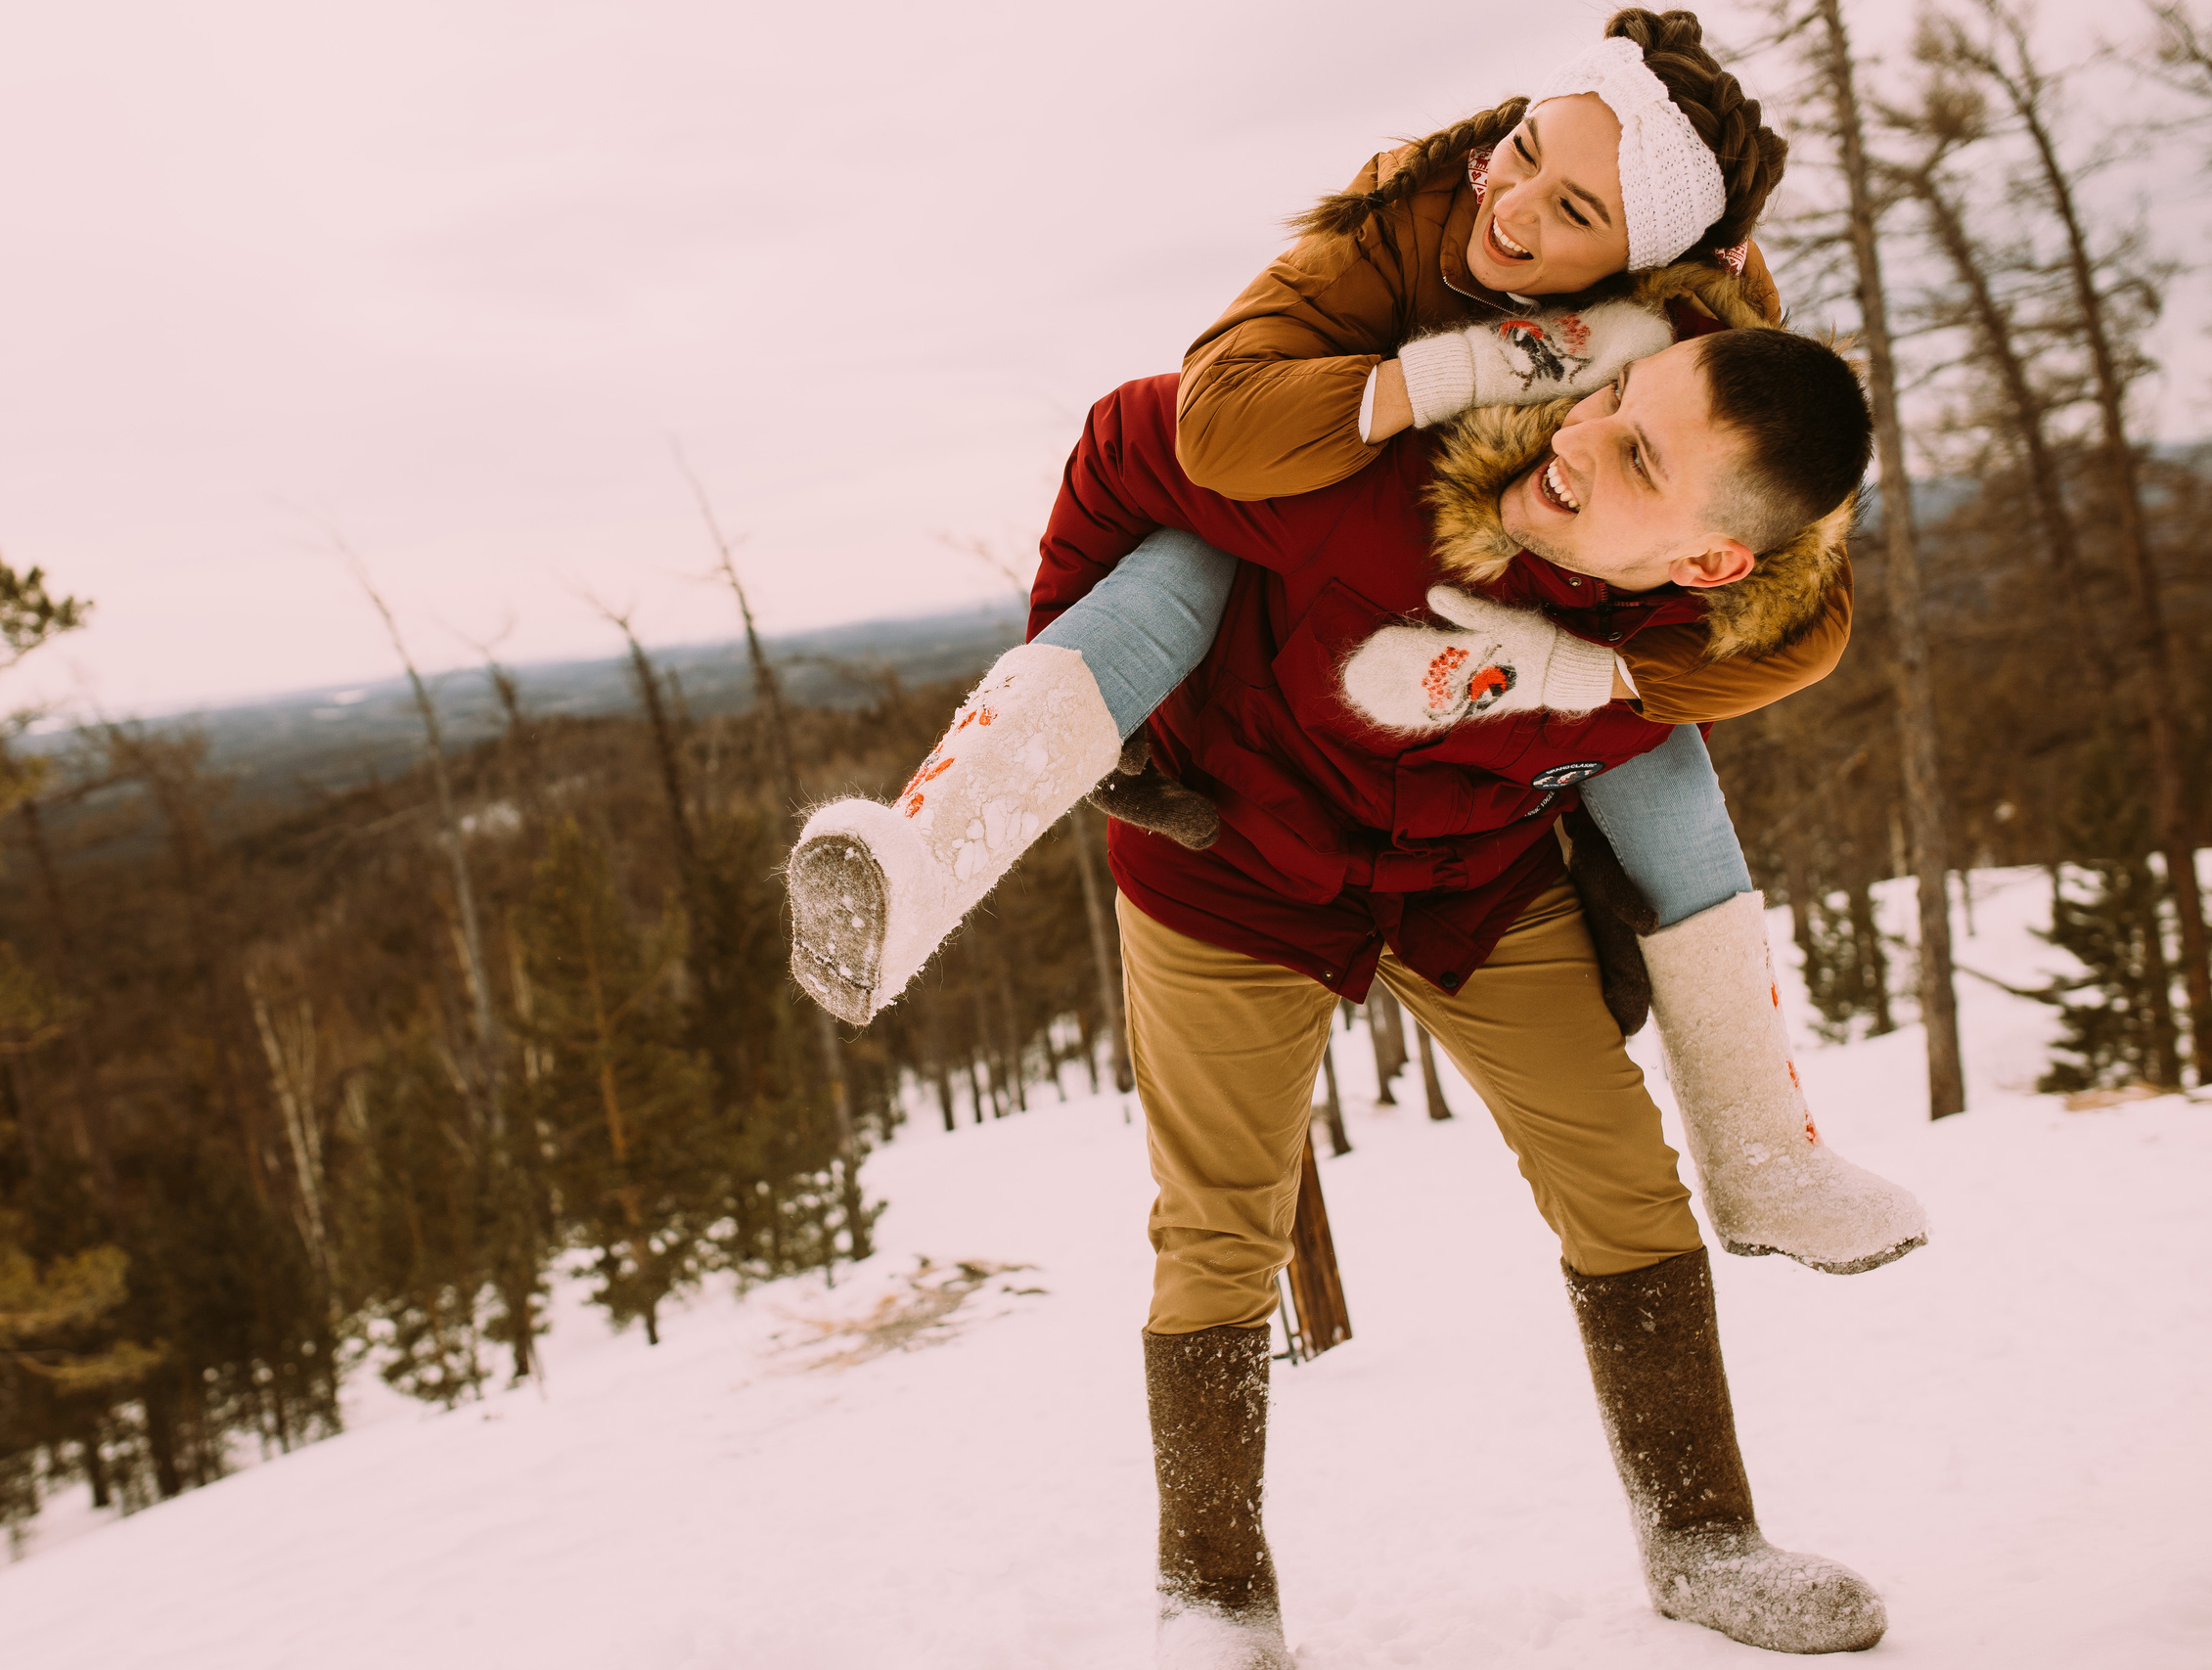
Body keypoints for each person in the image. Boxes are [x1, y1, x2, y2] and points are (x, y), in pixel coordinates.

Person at [788, 8, 1924, 1278]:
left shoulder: (1708, 390)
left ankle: (1764, 1155)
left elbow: (1804, 619)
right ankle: (927, 854)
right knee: (1192, 558)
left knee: (1662, 743)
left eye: (1576, 211)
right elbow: (1172, 437)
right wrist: (1460, 375)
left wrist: (1579, 674)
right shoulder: (1401, 242)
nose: (1514, 209)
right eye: (1520, 153)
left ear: (1650, 268)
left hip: (1480, 807)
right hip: (1316, 518)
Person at [1074, 329, 1883, 1664]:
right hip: (1232, 867)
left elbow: (1804, 627)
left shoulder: (1699, 641)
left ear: (1710, 564)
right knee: (1217, 1227)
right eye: (1611, 398)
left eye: (1638, 457)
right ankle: (1213, 1604)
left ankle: (1702, 1539)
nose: (1578, 436)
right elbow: (1136, 440)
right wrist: (1072, 692)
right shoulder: (1396, 470)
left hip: (1473, 885)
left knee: (1624, 1181)